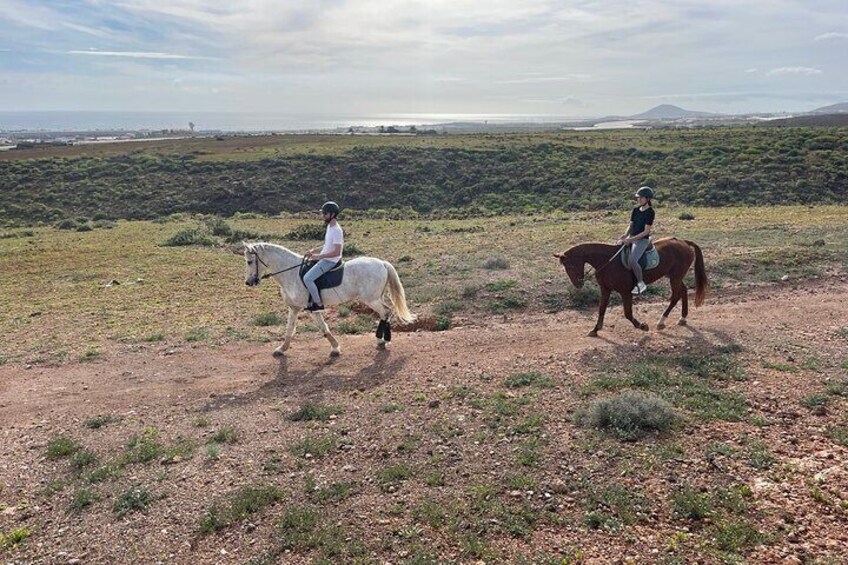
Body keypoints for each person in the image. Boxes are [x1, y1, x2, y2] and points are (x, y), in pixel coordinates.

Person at [304, 201, 344, 311]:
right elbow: (327, 245)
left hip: (330, 261)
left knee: (307, 279)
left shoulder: (336, 230)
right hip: (325, 258)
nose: (323, 216)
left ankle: (318, 303)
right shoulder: (329, 227)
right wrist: (314, 250)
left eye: (325, 214)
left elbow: (337, 252)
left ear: (332, 214)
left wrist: (318, 257)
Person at [616, 186, 655, 295]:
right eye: (638, 198)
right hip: (632, 238)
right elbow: (631, 225)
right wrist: (625, 235)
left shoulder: (650, 212)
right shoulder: (635, 210)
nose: (638, 199)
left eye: (641, 198)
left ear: (647, 199)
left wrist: (631, 239)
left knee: (633, 260)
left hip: (642, 240)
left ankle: (640, 283)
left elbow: (646, 231)